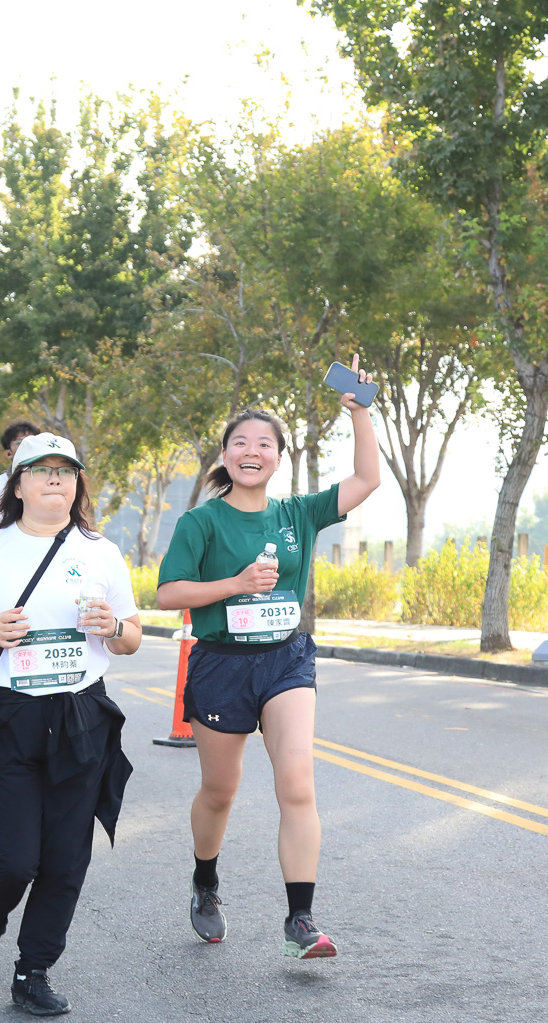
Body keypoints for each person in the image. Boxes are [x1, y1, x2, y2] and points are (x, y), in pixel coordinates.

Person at [155, 364, 380, 960]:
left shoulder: (298, 513)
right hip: (221, 665)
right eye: (240, 443)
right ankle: (205, 881)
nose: (251, 452)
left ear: (279, 458)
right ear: (225, 455)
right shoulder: (201, 522)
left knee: (297, 784)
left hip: (286, 660)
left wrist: (359, 410)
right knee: (219, 790)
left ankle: (300, 919)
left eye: (264, 444)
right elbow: (169, 594)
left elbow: (367, 478)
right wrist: (234, 584)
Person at [0, 433, 138, 1016]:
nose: (55, 478)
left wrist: (113, 627)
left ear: (77, 485)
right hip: (10, 718)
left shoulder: (101, 551)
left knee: (65, 859)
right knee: (13, 859)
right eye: (41, 469)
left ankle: (34, 971)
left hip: (81, 718)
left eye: (65, 470)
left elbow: (130, 637)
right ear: (18, 484)